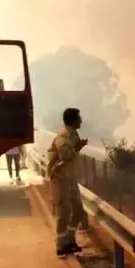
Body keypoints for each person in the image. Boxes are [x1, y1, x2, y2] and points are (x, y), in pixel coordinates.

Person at [46, 108, 88, 256]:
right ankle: (61, 245)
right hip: (61, 178)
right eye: (79, 118)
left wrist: (77, 147)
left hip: (70, 178)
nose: (81, 120)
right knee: (63, 213)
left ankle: (70, 240)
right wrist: (78, 148)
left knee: (77, 210)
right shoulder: (64, 136)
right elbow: (64, 155)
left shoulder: (72, 134)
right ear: (73, 120)